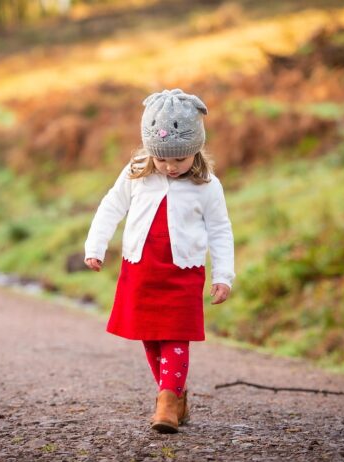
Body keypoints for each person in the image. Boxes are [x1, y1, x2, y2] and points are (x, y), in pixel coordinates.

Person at [84, 88, 235, 433]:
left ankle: (167, 400)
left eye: (178, 160)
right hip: (142, 267)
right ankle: (175, 395)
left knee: (175, 333)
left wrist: (223, 274)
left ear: (195, 150)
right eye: (162, 159)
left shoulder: (207, 185)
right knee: (150, 334)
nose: (169, 166)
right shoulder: (138, 170)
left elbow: (220, 230)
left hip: (183, 271)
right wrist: (96, 246)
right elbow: (112, 206)